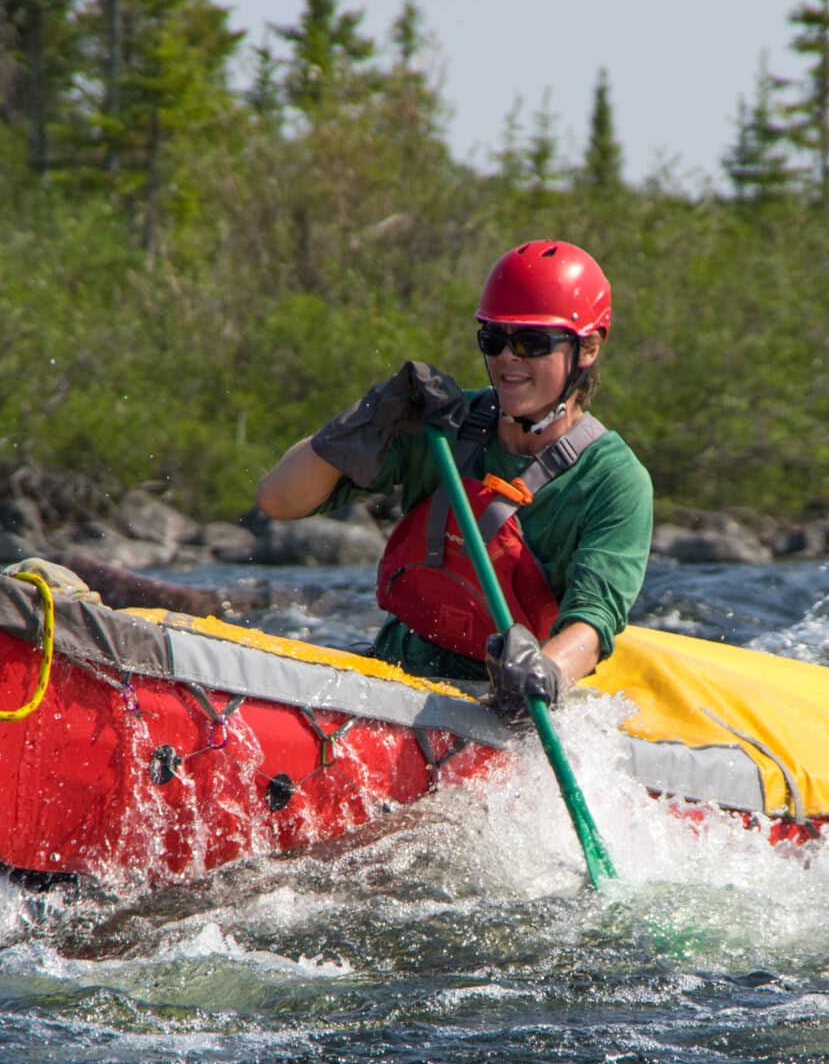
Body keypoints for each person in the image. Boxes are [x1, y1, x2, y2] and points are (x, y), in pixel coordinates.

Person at [254, 239, 655, 715]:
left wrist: (542, 674)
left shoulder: (615, 481)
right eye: (494, 339)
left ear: (588, 346)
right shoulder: (443, 425)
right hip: (396, 681)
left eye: (531, 343)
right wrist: (368, 419)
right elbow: (278, 500)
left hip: (507, 707)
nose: (508, 357)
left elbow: (592, 626)